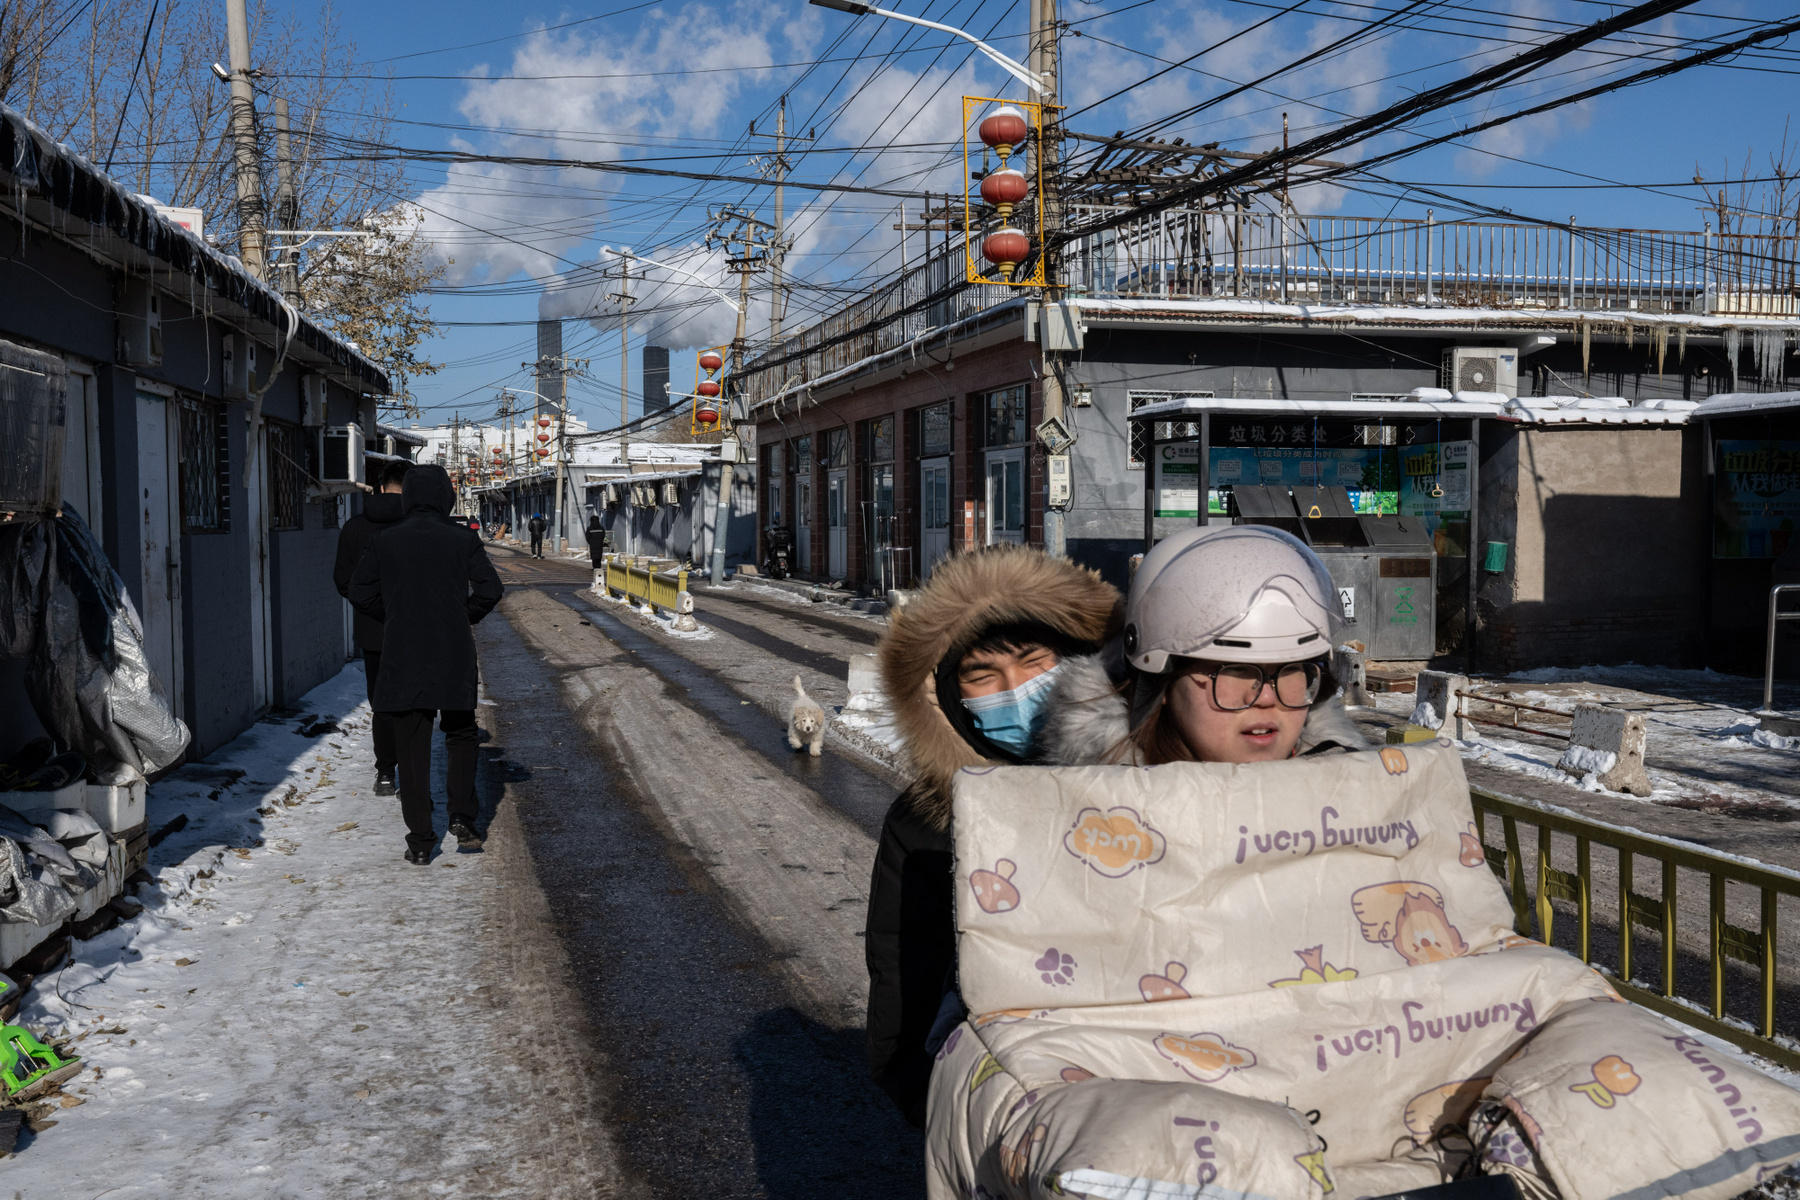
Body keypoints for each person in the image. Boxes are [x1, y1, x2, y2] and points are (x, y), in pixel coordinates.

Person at [865, 544, 1122, 1126]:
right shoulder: (925, 822)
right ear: (951, 697)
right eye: (984, 676)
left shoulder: (1157, 775)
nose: (1016, 689)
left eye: (1035, 663)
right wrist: (926, 1097)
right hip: (1001, 1107)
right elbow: (903, 979)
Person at [1039, 523, 1369, 767]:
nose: (1267, 698)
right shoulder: (1093, 823)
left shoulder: (1359, 802)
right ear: (1161, 684)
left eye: (1291, 670)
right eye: (1235, 670)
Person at [349, 465, 504, 864]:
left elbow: (359, 591)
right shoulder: (462, 540)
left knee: (412, 744)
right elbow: (491, 589)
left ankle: (420, 841)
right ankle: (463, 817)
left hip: (402, 653)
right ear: (446, 497)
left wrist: (395, 613)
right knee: (461, 733)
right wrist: (461, 614)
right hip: (451, 651)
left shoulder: (384, 540)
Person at [332, 459, 411, 796]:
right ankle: (413, 772)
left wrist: (372, 607)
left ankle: (385, 772)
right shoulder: (419, 525)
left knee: (382, 702)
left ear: (380, 486)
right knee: (414, 702)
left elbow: (343, 580)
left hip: (372, 630)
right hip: (414, 630)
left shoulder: (354, 527)